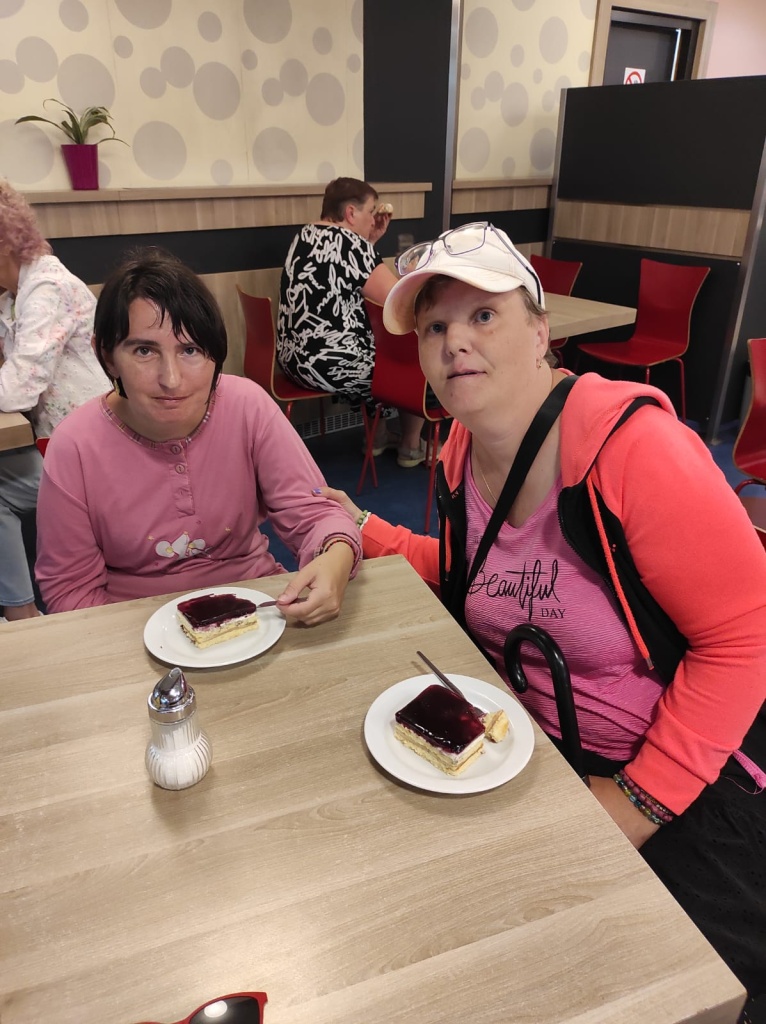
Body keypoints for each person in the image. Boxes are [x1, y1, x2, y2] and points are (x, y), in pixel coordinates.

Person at [321, 222, 766, 1019]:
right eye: (434, 327)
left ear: (540, 332)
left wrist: (634, 804)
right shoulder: (459, 454)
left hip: (666, 783)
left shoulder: (635, 450)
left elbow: (746, 637)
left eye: (482, 315)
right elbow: (478, 578)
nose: (454, 341)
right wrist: (362, 528)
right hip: (529, 762)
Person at [35, 248, 361, 626]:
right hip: (133, 628)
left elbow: (315, 515)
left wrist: (336, 554)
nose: (171, 380)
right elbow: (70, 589)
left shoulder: (247, 406)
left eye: (190, 350)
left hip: (257, 610)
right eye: (144, 350)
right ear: (107, 356)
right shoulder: (75, 446)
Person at [0, 179, 108, 621]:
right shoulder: (14, 296)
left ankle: (21, 614)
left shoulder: (47, 289)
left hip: (99, 453)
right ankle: (20, 607)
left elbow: (18, 388)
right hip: (61, 442)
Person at [277, 176, 427, 466]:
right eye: (371, 211)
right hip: (330, 365)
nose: (374, 219)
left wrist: (370, 241)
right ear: (350, 213)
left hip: (293, 361)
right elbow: (397, 302)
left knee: (372, 347)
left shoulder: (304, 236)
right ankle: (410, 447)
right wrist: (410, 275)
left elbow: (344, 273)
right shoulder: (352, 245)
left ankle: (378, 439)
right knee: (411, 357)